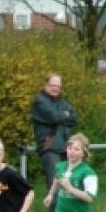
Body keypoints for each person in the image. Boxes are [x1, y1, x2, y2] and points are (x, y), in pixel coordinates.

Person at [31, 73, 78, 205]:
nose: (56, 88)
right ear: (46, 85)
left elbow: (74, 118)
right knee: (54, 182)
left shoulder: (61, 101)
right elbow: (54, 117)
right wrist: (63, 115)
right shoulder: (40, 101)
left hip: (64, 145)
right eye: (53, 85)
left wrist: (62, 115)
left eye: (58, 86)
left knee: (68, 181)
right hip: (49, 145)